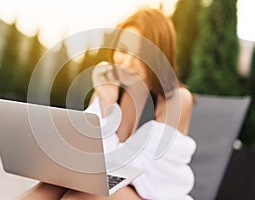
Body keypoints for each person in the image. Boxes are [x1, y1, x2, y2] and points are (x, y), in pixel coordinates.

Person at [17, 8, 196, 200]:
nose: (127, 61)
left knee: (79, 197)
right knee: (44, 190)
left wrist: (109, 112)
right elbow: (83, 151)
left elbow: (138, 171)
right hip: (108, 182)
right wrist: (105, 101)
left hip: (150, 191)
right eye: (123, 50)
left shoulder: (176, 99)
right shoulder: (110, 89)